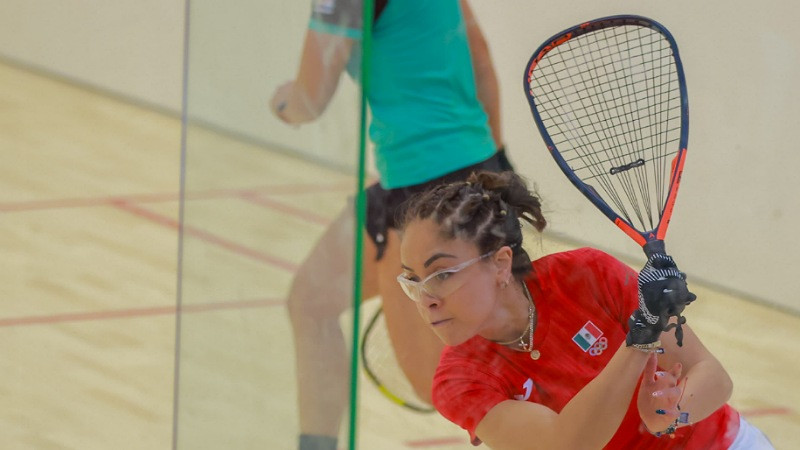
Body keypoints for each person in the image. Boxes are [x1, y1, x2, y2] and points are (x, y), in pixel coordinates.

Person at [269, 1, 512, 449]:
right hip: (458, 172)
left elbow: (309, 98)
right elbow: (478, 54)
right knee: (311, 299)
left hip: (421, 194)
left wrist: (283, 103)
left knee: (441, 387)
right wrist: (494, 171)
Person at [396, 170, 774, 449]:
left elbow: (714, 378)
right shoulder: (458, 381)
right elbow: (566, 445)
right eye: (413, 280)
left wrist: (670, 413)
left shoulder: (587, 274)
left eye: (442, 274)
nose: (426, 298)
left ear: (500, 263)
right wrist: (640, 336)